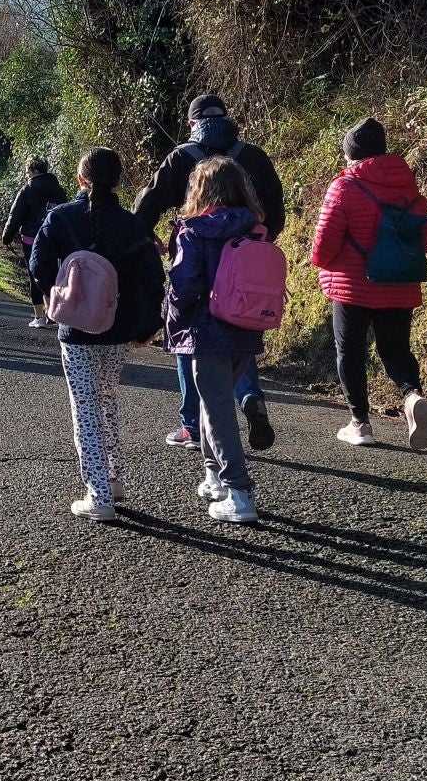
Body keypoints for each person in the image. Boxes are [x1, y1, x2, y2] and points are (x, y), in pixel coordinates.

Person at [134, 93, 283, 455]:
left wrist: (145, 235)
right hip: (247, 265)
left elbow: (147, 203)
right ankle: (249, 395)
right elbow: (275, 210)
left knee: (190, 335)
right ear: (228, 119)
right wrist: (259, 242)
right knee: (239, 326)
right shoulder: (253, 156)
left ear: (191, 124)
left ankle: (191, 425)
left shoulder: (181, 157)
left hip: (195, 255)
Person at [29, 147, 164, 524]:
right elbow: (154, 277)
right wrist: (148, 325)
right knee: (107, 399)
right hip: (120, 329)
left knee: (84, 407)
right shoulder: (134, 224)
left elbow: (38, 265)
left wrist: (54, 297)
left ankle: (98, 494)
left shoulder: (60, 218)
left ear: (80, 179)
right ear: (118, 180)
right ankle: (115, 479)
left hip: (76, 329)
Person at [310, 117, 427, 449]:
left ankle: (360, 424)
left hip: (353, 285)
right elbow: (424, 237)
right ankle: (412, 397)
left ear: (352, 154)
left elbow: (324, 245)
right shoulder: (409, 189)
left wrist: (324, 263)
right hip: (398, 283)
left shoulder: (345, 186)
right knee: (395, 349)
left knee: (349, 350)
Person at [165, 156, 269, 524]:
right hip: (246, 327)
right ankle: (214, 478)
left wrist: (172, 320)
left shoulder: (194, 230)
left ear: (201, 189)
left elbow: (184, 284)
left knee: (218, 409)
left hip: (207, 331)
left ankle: (239, 492)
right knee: (214, 404)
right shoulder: (255, 228)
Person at [2, 157, 68, 327]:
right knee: (54, 275)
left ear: (34, 171)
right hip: (54, 239)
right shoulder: (58, 190)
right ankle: (54, 314)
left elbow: (15, 216)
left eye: (28, 172)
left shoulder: (27, 190)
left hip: (31, 239)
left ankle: (39, 317)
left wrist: (7, 236)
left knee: (35, 276)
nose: (27, 176)